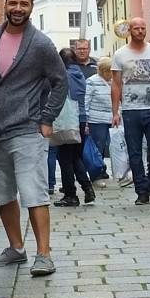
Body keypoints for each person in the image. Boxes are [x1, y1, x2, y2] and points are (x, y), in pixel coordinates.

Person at [0, 0, 68, 277]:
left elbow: (61, 82)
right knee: (4, 193)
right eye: (13, 3)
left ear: (31, 7)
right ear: (5, 3)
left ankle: (44, 254)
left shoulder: (41, 44)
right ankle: (16, 248)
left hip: (27, 129)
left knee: (34, 193)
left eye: (24, 4)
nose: (18, 9)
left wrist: (46, 119)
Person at [111, 17, 150, 205]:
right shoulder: (120, 54)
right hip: (131, 109)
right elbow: (116, 85)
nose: (140, 31)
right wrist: (115, 111)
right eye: (136, 28)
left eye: (143, 28)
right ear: (130, 30)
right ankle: (141, 190)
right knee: (134, 152)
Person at [54, 48, 96, 207]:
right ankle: (87, 188)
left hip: (67, 120)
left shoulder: (63, 75)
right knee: (76, 156)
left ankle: (71, 194)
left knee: (64, 158)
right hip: (81, 118)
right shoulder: (80, 74)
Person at [85, 57, 113, 181]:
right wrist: (85, 121)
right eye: (110, 71)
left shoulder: (114, 81)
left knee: (111, 145)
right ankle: (97, 170)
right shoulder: (92, 81)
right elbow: (86, 101)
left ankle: (103, 168)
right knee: (98, 146)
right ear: (103, 70)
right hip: (97, 119)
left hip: (111, 119)